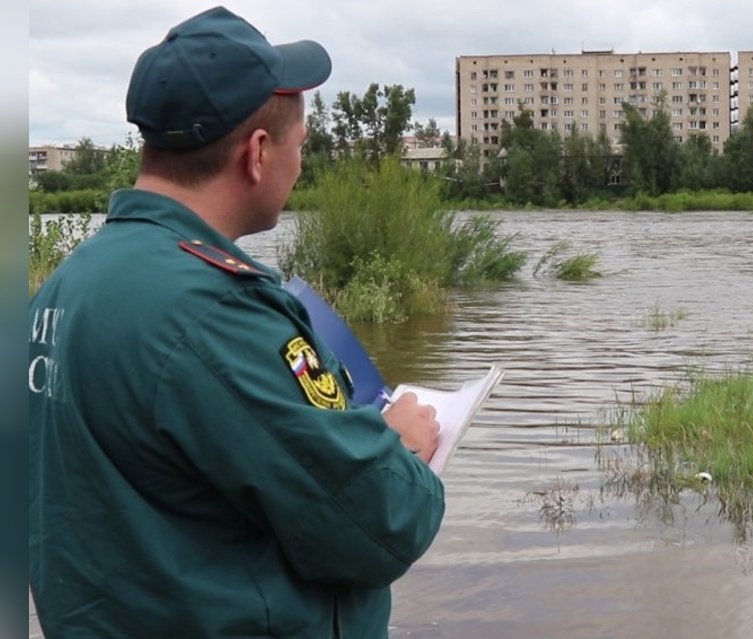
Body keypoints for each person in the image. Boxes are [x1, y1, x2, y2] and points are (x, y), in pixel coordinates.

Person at [28, 6, 445, 638]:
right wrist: (402, 448)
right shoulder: (213, 311)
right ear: (257, 153)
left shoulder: (70, 281)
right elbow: (378, 526)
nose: (299, 167)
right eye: (300, 148)